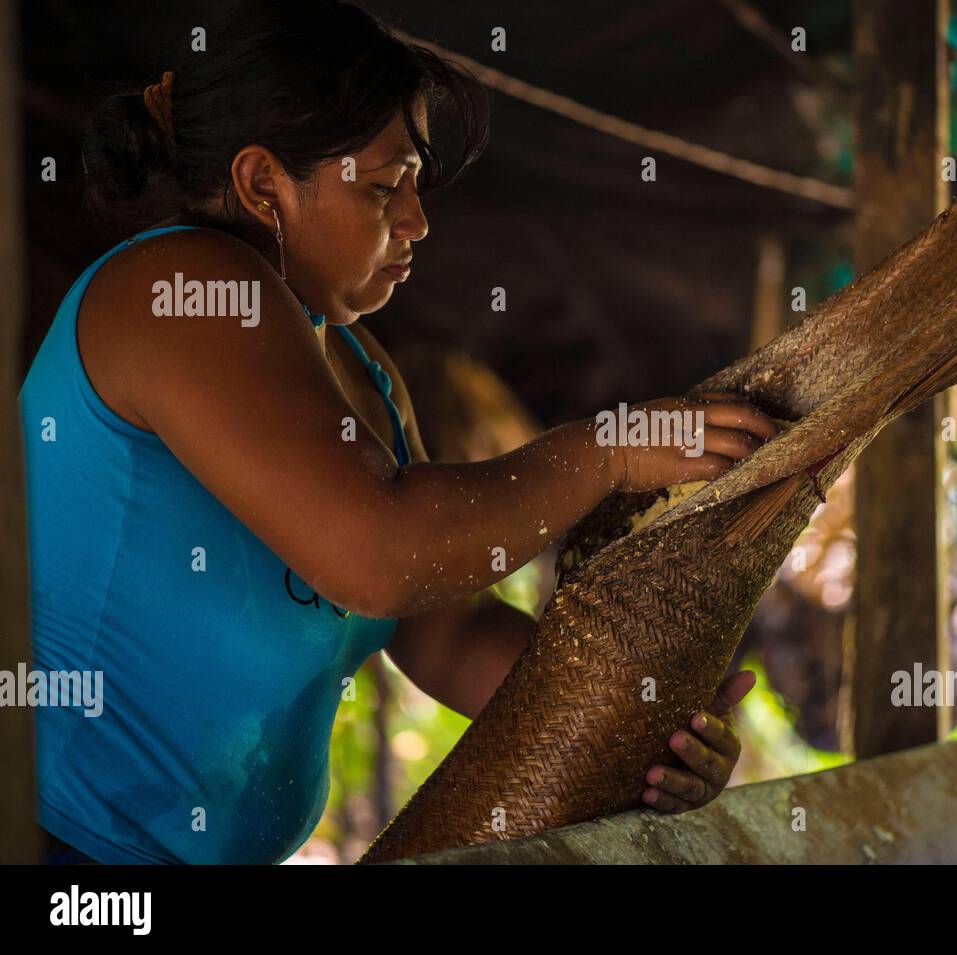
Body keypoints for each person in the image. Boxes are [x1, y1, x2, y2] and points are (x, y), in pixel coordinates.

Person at [19, 0, 775, 864]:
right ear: (264, 182)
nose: (416, 220)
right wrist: (607, 451)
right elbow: (379, 554)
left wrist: (646, 728)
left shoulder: (357, 368)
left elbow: (444, 633)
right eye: (383, 187)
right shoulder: (177, 288)